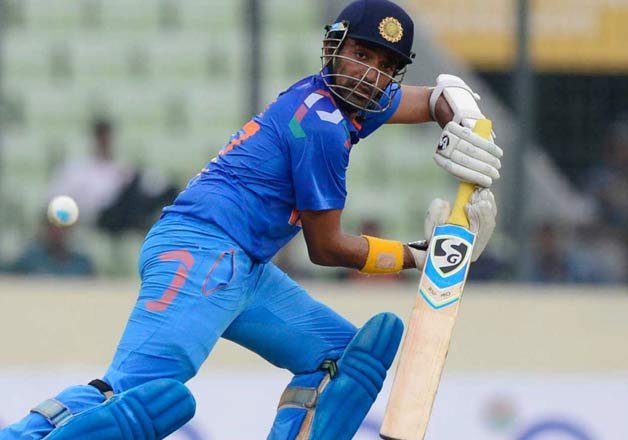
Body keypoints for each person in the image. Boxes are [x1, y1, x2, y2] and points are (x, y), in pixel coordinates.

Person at [1, 1, 502, 439]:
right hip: (201, 252)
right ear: (334, 48)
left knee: (340, 360)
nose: (371, 74)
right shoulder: (321, 126)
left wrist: (459, 114)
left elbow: (428, 99)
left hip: (245, 266)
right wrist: (418, 256)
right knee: (136, 392)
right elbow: (326, 248)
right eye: (363, 55)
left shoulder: (338, 97)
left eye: (386, 66)